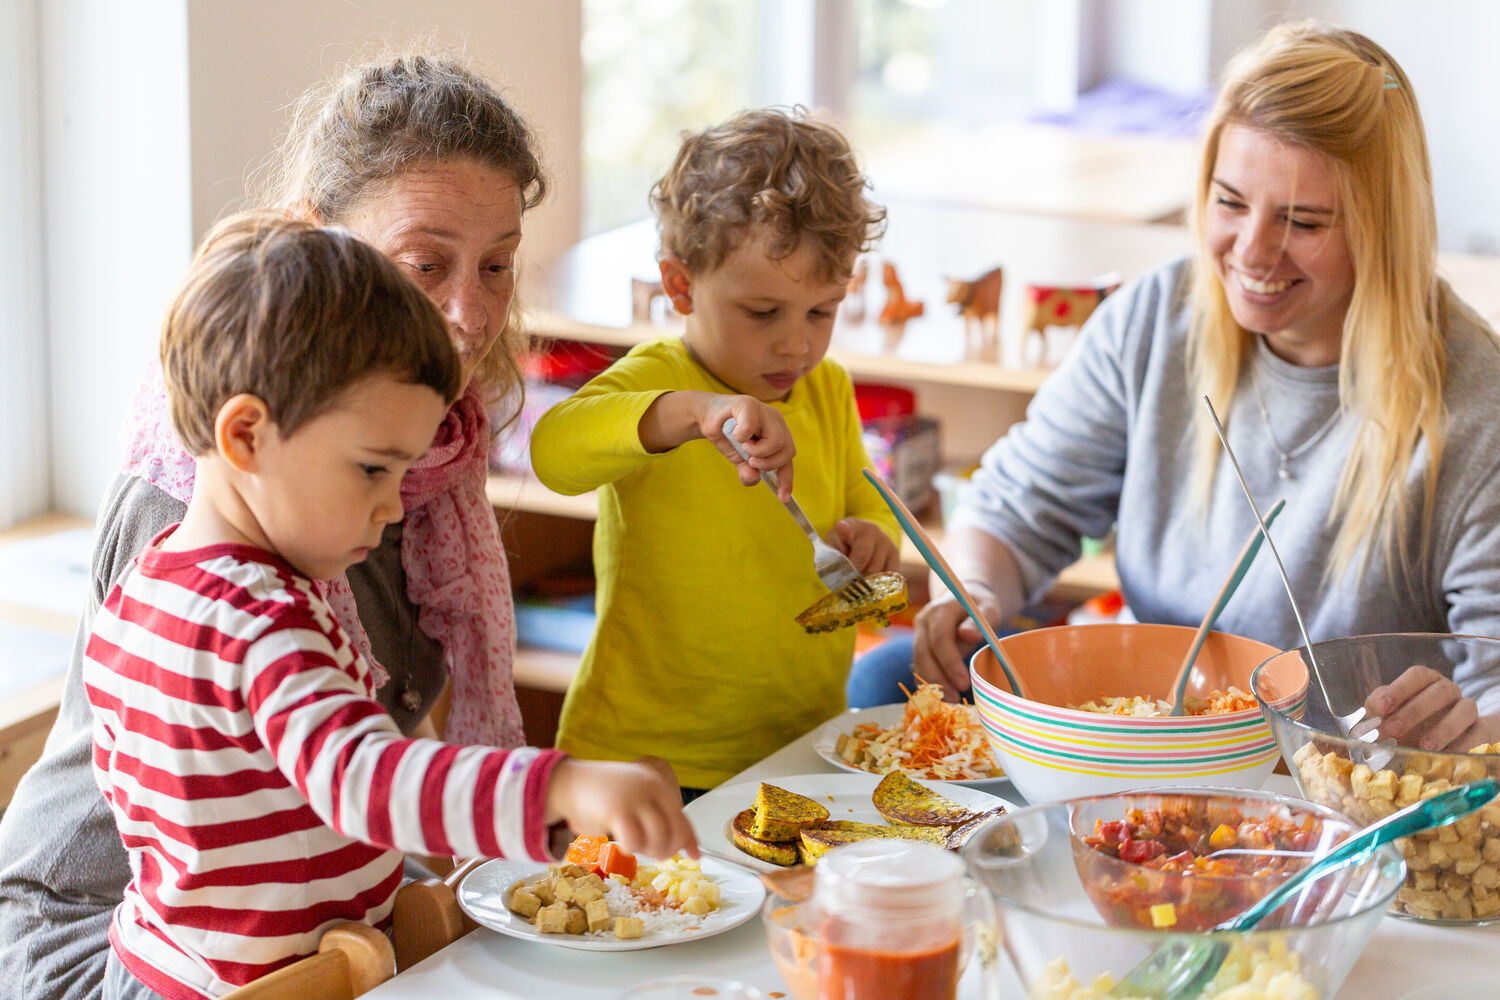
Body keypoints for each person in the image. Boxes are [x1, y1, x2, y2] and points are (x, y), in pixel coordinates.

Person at [0, 51, 624, 1000]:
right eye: (425, 264)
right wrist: (551, 794)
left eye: (497, 265)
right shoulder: (220, 528)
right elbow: (349, 776)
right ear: (312, 247)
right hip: (118, 942)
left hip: (289, 917)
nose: (471, 314)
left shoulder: (410, 462)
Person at [89, 212, 695, 1000]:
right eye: (373, 470)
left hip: (157, 963)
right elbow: (364, 781)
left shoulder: (148, 582)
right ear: (244, 436)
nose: (390, 508)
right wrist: (559, 788)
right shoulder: (262, 621)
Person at [851, 20, 1500, 753]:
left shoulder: (1478, 403)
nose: (1251, 252)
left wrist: (1471, 727)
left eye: (1303, 220)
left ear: (1384, 229)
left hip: (1343, 770)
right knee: (886, 677)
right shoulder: (1157, 317)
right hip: (1164, 734)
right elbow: (1011, 511)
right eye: (1229, 203)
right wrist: (974, 592)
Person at [529, 107, 901, 795]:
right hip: (647, 764)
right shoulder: (658, 381)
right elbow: (554, 450)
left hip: (801, 746)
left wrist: (874, 536)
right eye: (762, 313)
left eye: (822, 310)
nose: (797, 344)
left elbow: (861, 498)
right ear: (679, 286)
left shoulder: (827, 388)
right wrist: (693, 414)